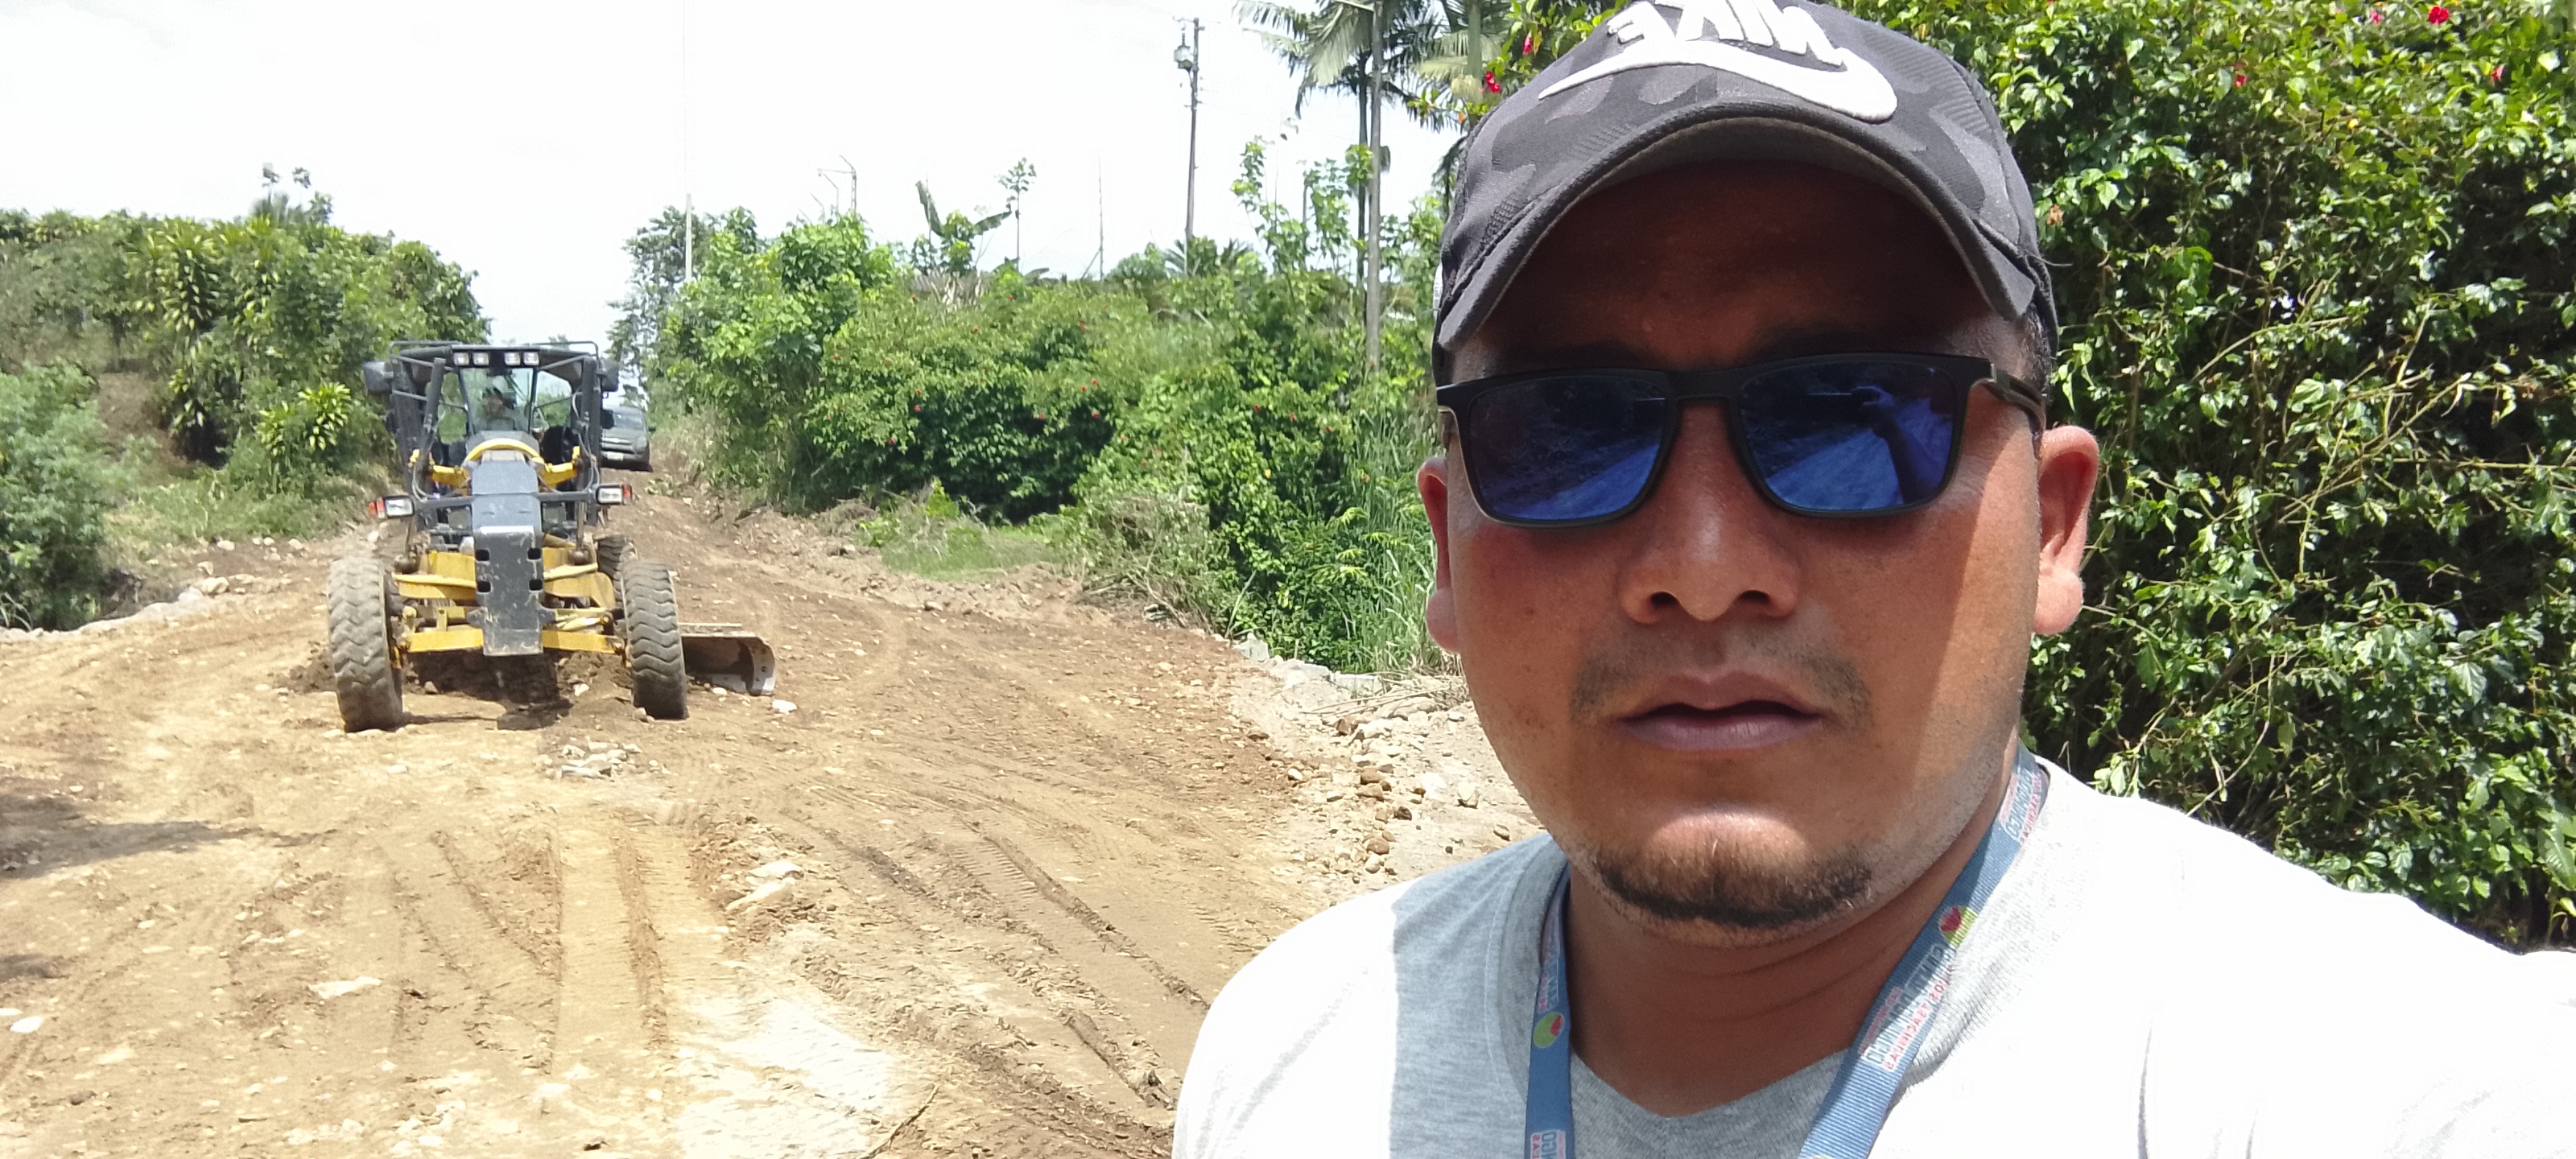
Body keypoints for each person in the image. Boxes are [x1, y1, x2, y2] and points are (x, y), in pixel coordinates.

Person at [1174, 3, 2576, 1157]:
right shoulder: (1295, 1058)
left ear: (2051, 529)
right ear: (1445, 551)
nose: (1703, 572)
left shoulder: (2361, 1073)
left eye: (1854, 418)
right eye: (1569, 432)